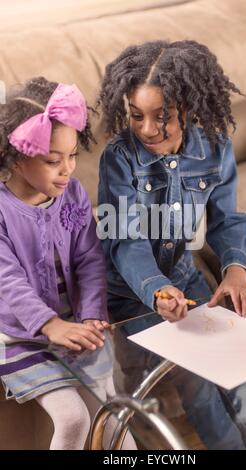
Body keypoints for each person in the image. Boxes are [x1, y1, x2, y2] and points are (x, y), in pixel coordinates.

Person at [97, 40, 246, 449]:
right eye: (136, 116)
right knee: (179, 390)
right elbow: (125, 239)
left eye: (161, 116)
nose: (147, 129)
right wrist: (157, 290)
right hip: (131, 295)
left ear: (187, 107)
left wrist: (236, 271)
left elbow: (227, 219)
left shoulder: (215, 147)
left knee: (236, 376)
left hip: (185, 278)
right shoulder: (119, 157)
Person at [0, 77, 136, 450]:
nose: (68, 169)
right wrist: (50, 324)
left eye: (73, 155)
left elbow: (90, 259)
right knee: (73, 417)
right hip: (21, 334)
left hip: (76, 324)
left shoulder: (73, 193)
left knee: (113, 413)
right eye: (52, 160)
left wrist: (92, 313)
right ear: (15, 157)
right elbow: (6, 281)